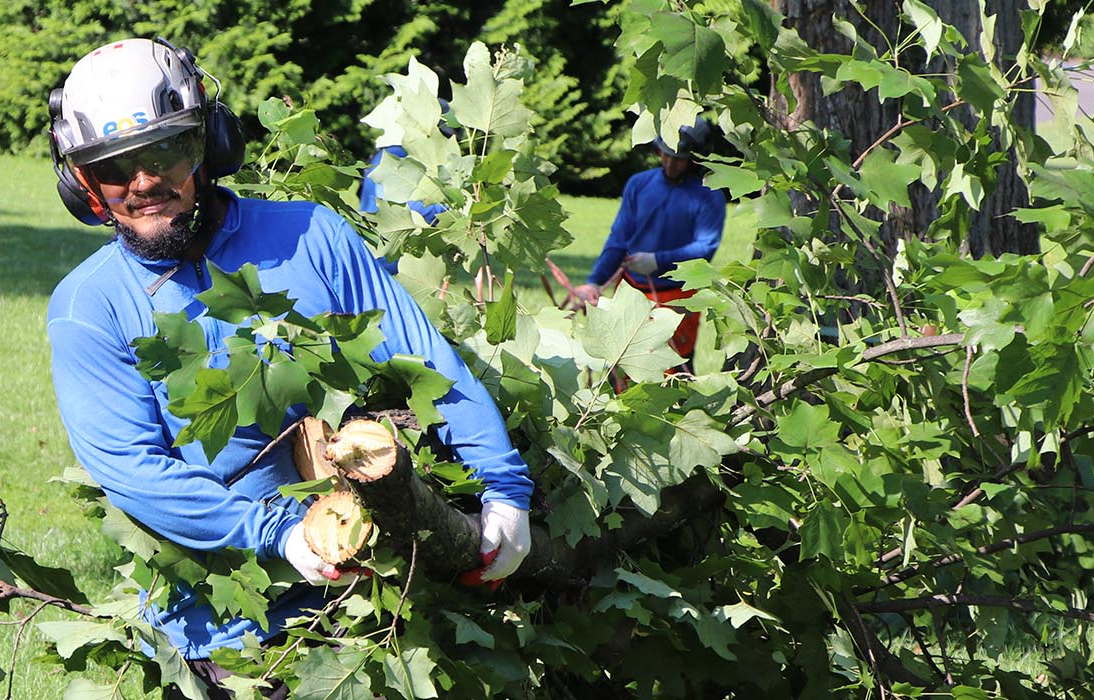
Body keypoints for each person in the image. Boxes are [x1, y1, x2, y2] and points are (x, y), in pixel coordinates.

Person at [44, 38, 536, 698]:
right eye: (113, 168)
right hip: (222, 633)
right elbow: (130, 469)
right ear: (81, 184)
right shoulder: (88, 306)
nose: (142, 184)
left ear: (208, 145)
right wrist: (279, 535)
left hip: (372, 600)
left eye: (165, 153)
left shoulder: (311, 235)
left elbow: (424, 360)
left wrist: (502, 484)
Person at [570, 119, 727, 361]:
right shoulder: (639, 184)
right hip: (631, 292)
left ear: (695, 159)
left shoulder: (709, 196)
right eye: (666, 154)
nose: (670, 163)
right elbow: (619, 239)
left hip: (678, 296)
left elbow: (705, 248)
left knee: (671, 369)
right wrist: (594, 282)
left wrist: (658, 261)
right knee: (621, 364)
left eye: (679, 158)